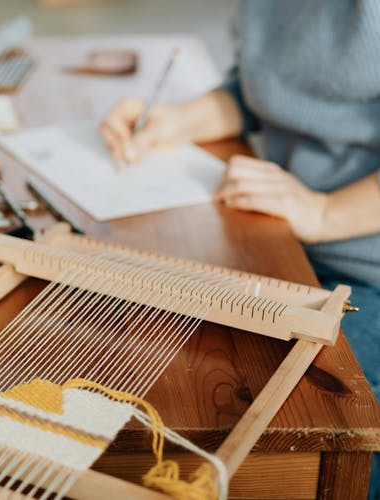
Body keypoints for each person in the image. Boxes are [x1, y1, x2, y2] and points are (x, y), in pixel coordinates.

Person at [100, 1, 380, 497]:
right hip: (281, 238)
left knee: (313, 436)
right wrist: (182, 121)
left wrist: (323, 212)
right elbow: (263, 89)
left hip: (365, 272)